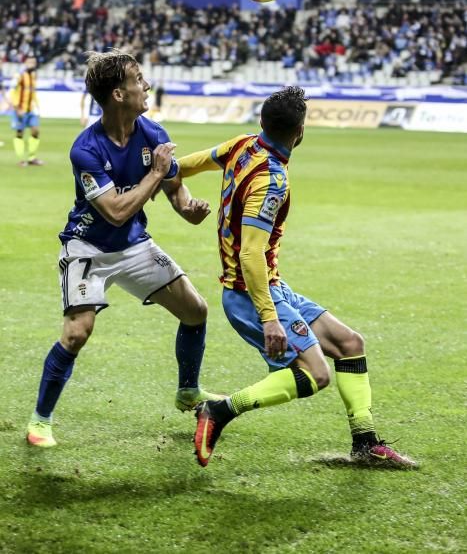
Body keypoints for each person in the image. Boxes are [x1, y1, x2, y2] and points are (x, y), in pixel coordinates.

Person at [177, 86, 416, 468]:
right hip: (250, 294)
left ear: (261, 122)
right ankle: (218, 411)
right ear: (300, 131)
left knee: (349, 343)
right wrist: (269, 317)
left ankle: (366, 443)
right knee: (314, 374)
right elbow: (250, 252)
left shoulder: (242, 145)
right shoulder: (271, 179)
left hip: (270, 285)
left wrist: (161, 177)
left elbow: (184, 166)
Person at [26, 49, 222, 448]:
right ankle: (40, 421)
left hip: (133, 244)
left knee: (195, 309)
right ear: (118, 94)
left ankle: (188, 391)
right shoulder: (86, 150)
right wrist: (154, 172)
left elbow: (173, 185)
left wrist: (187, 208)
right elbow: (115, 211)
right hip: (88, 246)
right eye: (138, 80)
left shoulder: (153, 133)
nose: (146, 85)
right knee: (78, 332)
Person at [9, 54, 44, 166]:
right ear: (25, 63)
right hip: (20, 109)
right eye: (30, 62)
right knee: (20, 133)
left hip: (31, 110)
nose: (32, 64)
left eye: (33, 62)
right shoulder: (19, 76)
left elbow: (33, 93)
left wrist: (38, 107)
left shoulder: (33, 76)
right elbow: (12, 91)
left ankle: (31, 158)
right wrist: (16, 108)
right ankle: (21, 159)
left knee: (35, 131)